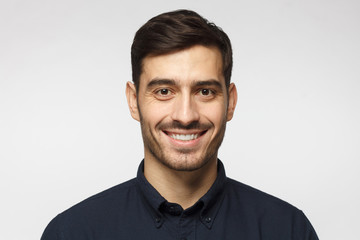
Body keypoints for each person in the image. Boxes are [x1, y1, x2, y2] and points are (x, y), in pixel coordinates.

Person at [41, 9, 319, 240]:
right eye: (164, 91)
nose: (185, 116)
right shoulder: (73, 233)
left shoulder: (287, 230)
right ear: (134, 101)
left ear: (230, 102)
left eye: (205, 91)